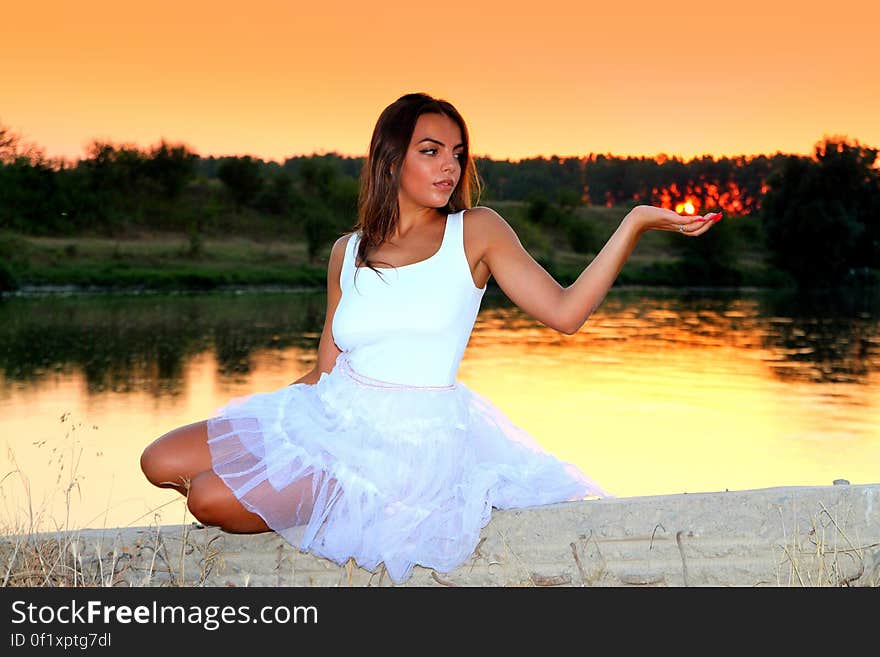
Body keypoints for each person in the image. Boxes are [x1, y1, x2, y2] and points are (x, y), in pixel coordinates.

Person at [140, 92, 721, 584]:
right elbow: (324, 371)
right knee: (160, 459)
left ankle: (358, 501)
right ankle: (323, 491)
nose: (450, 166)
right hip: (332, 412)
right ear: (391, 160)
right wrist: (267, 428)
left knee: (208, 499)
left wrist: (635, 222)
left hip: (408, 442)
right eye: (431, 151)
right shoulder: (348, 251)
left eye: (457, 154)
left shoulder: (477, 233)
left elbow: (566, 313)